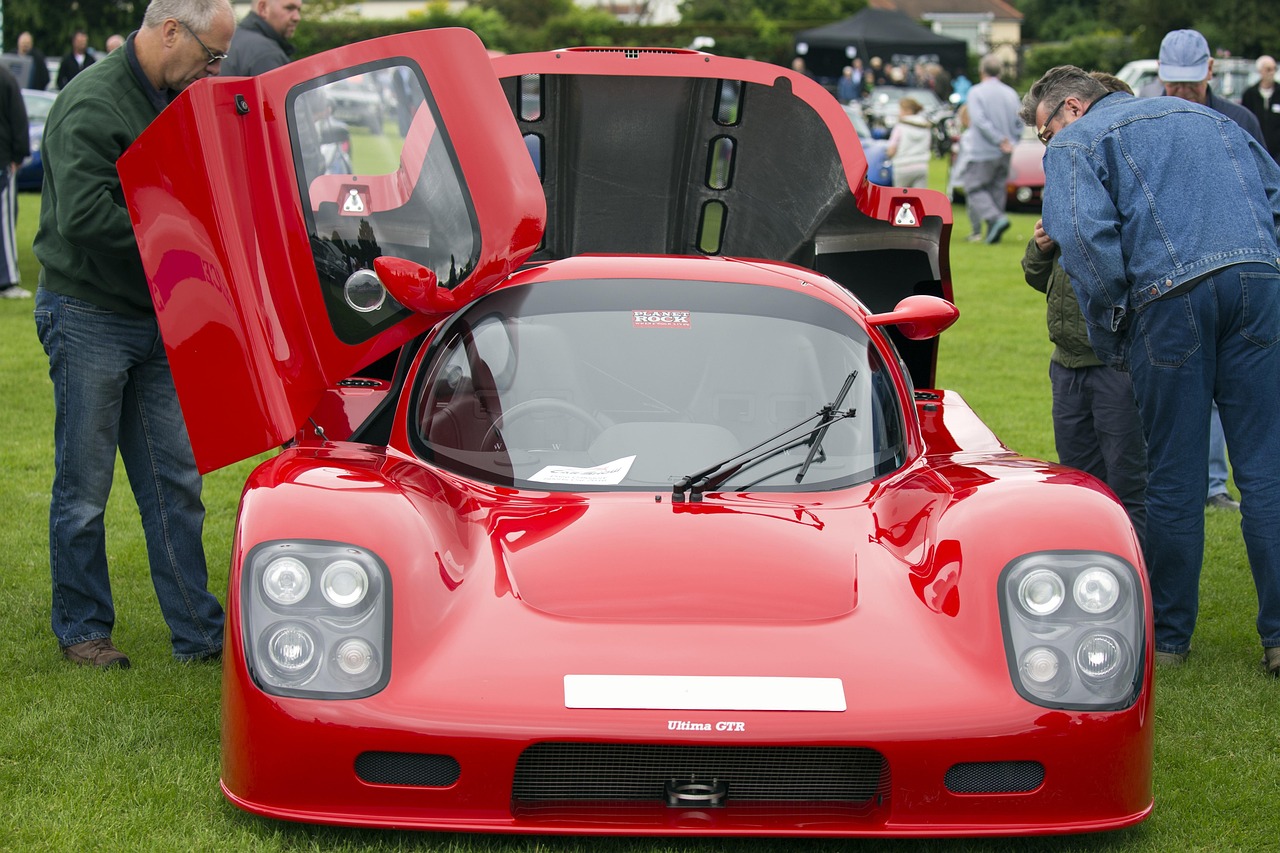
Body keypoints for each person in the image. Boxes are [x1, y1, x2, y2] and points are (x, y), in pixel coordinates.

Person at [1022, 65, 1280, 676]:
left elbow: (1081, 238)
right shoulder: (1212, 119)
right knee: (1266, 470)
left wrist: (1116, 320)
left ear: (1074, 108)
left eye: (1044, 132)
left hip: (1170, 299)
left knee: (1174, 475)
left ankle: (1168, 638)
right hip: (1259, 283)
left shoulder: (1080, 141)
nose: (1046, 146)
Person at [33, 0, 235, 669]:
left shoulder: (170, 96)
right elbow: (88, 218)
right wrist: (186, 242)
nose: (213, 69)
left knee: (173, 480)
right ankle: (82, 627)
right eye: (211, 54)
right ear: (170, 30)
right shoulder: (92, 104)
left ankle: (199, 632)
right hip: (89, 312)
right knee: (84, 488)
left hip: (152, 316)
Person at [1020, 72, 1147, 544]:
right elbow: (1037, 278)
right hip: (1067, 364)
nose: (1050, 145)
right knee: (1077, 486)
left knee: (1129, 488)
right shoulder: (1068, 178)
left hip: (1115, 364)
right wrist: (1041, 247)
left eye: (1048, 134)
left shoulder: (1121, 179)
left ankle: (1142, 589)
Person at [1147, 30, 1262, 512]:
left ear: (1209, 72)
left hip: (1235, 269)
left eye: (1189, 84)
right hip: (1170, 272)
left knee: (1233, 388)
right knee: (1172, 386)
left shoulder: (1239, 120)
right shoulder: (1145, 118)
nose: (1181, 93)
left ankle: (1217, 485)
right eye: (1172, 84)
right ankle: (1182, 486)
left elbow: (1260, 192)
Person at [958, 54, 1021, 244]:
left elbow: (979, 120)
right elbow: (1020, 120)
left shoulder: (976, 92)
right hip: (1006, 150)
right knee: (997, 189)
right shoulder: (1011, 92)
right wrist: (1011, 141)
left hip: (984, 149)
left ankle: (996, 219)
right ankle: (994, 231)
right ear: (1000, 72)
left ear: (981, 71)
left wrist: (998, 139)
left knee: (973, 187)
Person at [0, 63, 29, 300]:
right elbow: (18, 117)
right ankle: (7, 279)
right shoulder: (6, 77)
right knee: (5, 219)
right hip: (3, 160)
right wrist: (18, 154)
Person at [221, 0, 302, 77]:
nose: (297, 17)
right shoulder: (267, 52)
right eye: (289, 8)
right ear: (263, 8)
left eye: (299, 10)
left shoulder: (231, 38)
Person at [885, 96, 932, 188]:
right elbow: (928, 145)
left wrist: (887, 155)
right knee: (918, 198)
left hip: (902, 166)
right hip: (921, 166)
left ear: (908, 111)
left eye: (901, 110)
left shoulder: (900, 126)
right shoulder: (925, 126)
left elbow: (892, 149)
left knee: (900, 198)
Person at [1242, 55, 1279, 162]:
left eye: (1274, 69)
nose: (1272, 72)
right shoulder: (1249, 94)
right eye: (1268, 69)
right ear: (1260, 71)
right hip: (1256, 152)